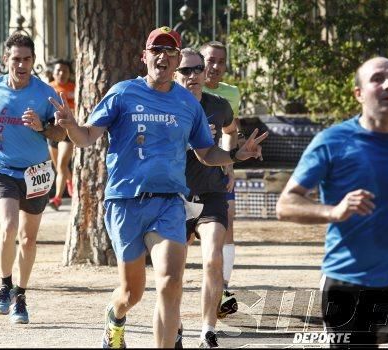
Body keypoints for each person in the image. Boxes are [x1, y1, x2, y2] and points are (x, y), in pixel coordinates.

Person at [48, 26, 267, 348]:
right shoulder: (123, 93)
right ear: (145, 57)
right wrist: (70, 127)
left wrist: (235, 154)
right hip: (125, 202)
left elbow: (206, 153)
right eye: (156, 50)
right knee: (131, 292)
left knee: (170, 282)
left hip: (168, 203)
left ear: (177, 59)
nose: (162, 56)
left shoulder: (187, 104)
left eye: (170, 51)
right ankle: (115, 317)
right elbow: (87, 138)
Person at [276, 56, 388, 348]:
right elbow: (286, 204)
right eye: (377, 79)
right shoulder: (333, 141)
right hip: (348, 281)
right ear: (359, 94)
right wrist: (335, 211)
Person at [0, 33, 66, 324]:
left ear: (33, 61)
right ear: (6, 60)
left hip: (35, 173)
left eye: (26, 59)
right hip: (2, 168)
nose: (21, 64)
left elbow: (61, 133)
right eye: (16, 59)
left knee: (28, 239)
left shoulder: (45, 93)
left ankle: (21, 295)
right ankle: (4, 285)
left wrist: (42, 127)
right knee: (9, 226)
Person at [174, 47, 238, 348]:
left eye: (197, 69)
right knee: (172, 269)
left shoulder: (219, 105)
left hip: (212, 191)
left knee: (213, 258)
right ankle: (174, 325)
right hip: (174, 195)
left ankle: (208, 330)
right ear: (175, 73)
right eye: (185, 70)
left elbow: (230, 128)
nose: (193, 75)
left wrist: (228, 163)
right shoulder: (165, 104)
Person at [199, 40, 241, 318]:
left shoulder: (232, 94)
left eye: (221, 62)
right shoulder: (185, 88)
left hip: (218, 169)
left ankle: (223, 289)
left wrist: (230, 165)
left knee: (228, 223)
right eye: (210, 60)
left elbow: (231, 129)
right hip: (187, 175)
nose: (215, 67)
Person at [47, 58, 75, 210]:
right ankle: (70, 182)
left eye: (65, 70)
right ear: (53, 73)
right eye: (58, 70)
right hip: (52, 131)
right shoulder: (48, 88)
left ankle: (57, 198)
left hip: (67, 133)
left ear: (69, 73)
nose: (61, 73)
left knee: (62, 164)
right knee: (58, 167)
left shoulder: (75, 87)